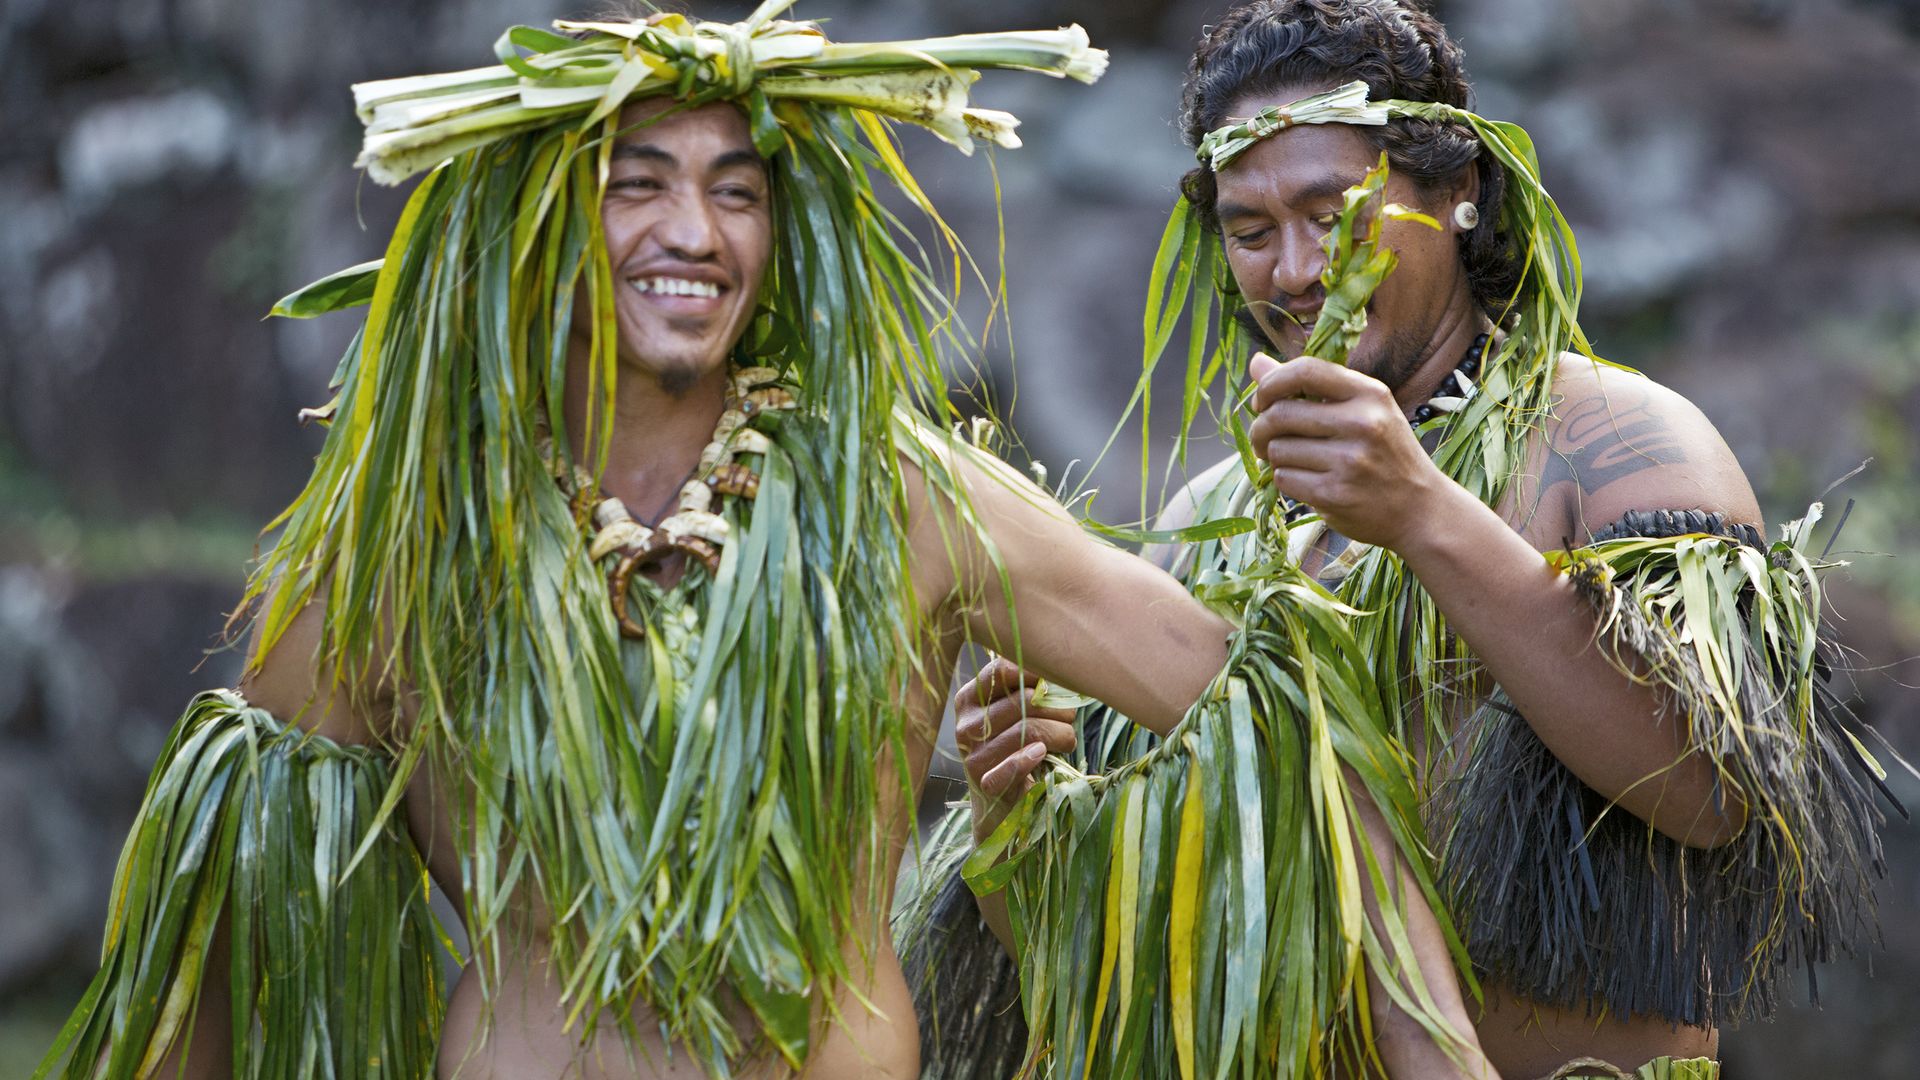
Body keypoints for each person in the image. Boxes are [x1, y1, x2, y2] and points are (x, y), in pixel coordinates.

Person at [35, 5, 1491, 1079]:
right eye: (639, 182)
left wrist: (1436, 1057)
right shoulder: (425, 530)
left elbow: (1276, 727)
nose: (696, 228)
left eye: (738, 190)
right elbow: (227, 915)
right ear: (539, 222)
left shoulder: (902, 494)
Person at [945, 2, 1899, 1079]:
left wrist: (1423, 515)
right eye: (1251, 232)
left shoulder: (1612, 439)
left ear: (1457, 193)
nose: (1295, 272)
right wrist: (1018, 818)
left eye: (1334, 215)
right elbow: (1114, 962)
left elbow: (1718, 795)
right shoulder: (1205, 522)